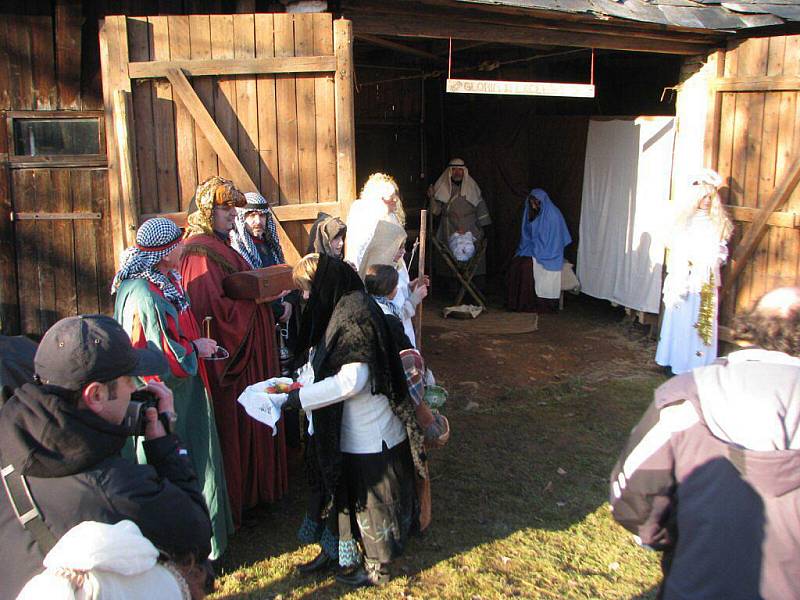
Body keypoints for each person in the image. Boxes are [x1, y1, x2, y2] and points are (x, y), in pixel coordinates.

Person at [0, 315, 212, 600]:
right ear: (96, 395)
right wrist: (165, 444)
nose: (134, 390)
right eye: (128, 381)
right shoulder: (117, 486)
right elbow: (195, 533)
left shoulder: (9, 441)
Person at [610, 286, 800, 600]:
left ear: (749, 326)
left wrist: (672, 538)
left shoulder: (687, 394)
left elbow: (632, 497)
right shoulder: (687, 394)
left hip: (695, 583)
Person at [280, 254, 425, 587]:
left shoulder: (355, 315)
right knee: (342, 495)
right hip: (345, 426)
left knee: (372, 502)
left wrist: (298, 399)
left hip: (369, 428)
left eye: (306, 290)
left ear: (323, 286)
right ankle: (339, 553)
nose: (304, 298)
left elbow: (353, 380)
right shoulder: (342, 307)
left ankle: (378, 567)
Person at [111, 217, 234, 560]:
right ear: (164, 253)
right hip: (169, 394)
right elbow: (161, 353)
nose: (183, 247)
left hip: (179, 388)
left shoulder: (160, 281)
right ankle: (191, 547)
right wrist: (197, 348)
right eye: (177, 244)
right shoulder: (144, 293)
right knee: (182, 461)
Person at [180, 176, 288, 528]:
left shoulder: (219, 243)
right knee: (237, 419)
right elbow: (210, 308)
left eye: (231, 209)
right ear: (208, 211)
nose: (231, 215)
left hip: (252, 347)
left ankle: (259, 491)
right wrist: (259, 305)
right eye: (224, 209)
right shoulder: (199, 251)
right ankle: (239, 498)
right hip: (232, 357)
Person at [656, 169, 733, 374]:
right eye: (704, 197)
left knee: (701, 321)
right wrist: (686, 260)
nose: (707, 201)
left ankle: (698, 365)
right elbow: (671, 242)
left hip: (704, 280)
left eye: (710, 197)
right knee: (681, 319)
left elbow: (721, 249)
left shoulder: (717, 224)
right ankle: (675, 362)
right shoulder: (682, 221)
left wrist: (712, 260)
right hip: (685, 279)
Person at [506, 188, 572, 313]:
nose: (533, 205)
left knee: (527, 267)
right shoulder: (531, 212)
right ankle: (515, 304)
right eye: (531, 203)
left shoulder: (553, 215)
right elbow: (527, 235)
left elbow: (554, 241)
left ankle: (532, 304)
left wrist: (537, 251)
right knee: (516, 264)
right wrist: (529, 248)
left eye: (536, 202)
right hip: (533, 248)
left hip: (549, 252)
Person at [427, 158, 492, 281]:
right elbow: (435, 211)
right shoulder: (442, 189)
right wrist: (432, 198)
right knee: (450, 261)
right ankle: (453, 288)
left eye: (460, 170)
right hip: (449, 229)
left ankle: (473, 287)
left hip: (470, 230)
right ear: (450, 172)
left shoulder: (472, 188)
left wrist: (485, 229)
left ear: (464, 171)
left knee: (472, 259)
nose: (457, 172)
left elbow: (481, 208)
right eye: (454, 169)